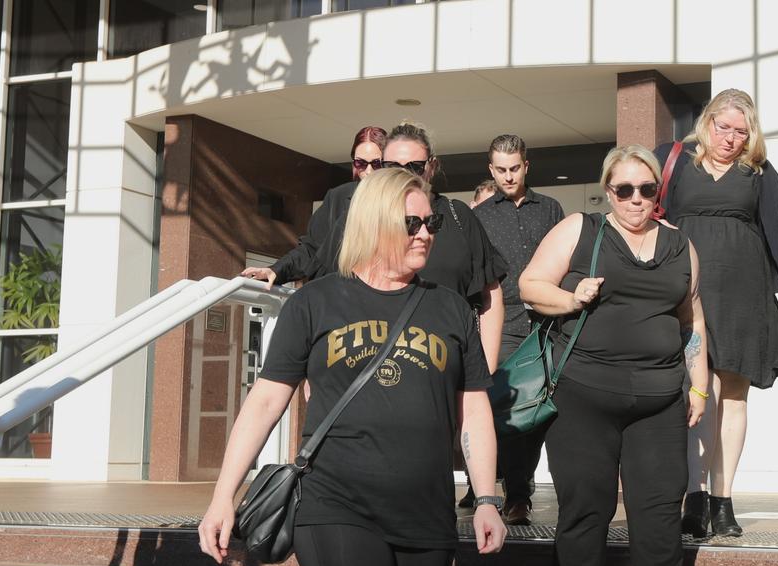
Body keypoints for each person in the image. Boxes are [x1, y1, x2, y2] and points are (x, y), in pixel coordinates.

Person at [197, 167, 507, 566]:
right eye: (411, 222)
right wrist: (224, 497)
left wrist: (486, 498)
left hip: (426, 513)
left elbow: (474, 410)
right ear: (376, 223)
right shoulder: (315, 303)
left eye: (430, 222)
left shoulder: (452, 309)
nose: (425, 233)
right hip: (336, 506)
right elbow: (265, 402)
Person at [520, 145, 709, 566]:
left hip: (659, 400)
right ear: (609, 191)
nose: (636, 199)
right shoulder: (582, 229)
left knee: (659, 514)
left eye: (647, 189)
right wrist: (573, 298)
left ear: (658, 193)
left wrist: (699, 385)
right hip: (583, 394)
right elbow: (530, 285)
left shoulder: (680, 246)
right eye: (625, 189)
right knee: (585, 510)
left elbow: (692, 320)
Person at [241, 121, 506, 373]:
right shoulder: (359, 216)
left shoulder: (458, 217)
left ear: (431, 167)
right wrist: (278, 270)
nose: (403, 174)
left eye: (415, 166)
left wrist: (486, 372)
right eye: (392, 166)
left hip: (448, 368)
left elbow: (490, 293)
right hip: (370, 365)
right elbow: (315, 255)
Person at [654, 89, 778, 539]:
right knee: (701, 391)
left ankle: (722, 500)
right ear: (708, 121)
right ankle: (694, 498)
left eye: (741, 131)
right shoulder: (673, 159)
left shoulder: (758, 172)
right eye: (724, 127)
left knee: (733, 394)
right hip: (689, 292)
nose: (731, 138)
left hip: (744, 293)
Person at [472, 134, 566, 525]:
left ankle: (525, 487)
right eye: (501, 170)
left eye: (515, 168)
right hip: (503, 322)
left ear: (527, 166)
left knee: (545, 411)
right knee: (511, 410)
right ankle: (517, 494)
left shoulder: (551, 208)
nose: (509, 176)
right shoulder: (480, 216)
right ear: (491, 170)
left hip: (548, 322)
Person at [241, 125, 386, 285]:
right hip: (336, 293)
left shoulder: (404, 202)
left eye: (377, 164)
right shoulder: (338, 197)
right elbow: (311, 249)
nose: (369, 171)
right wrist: (276, 270)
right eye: (361, 163)